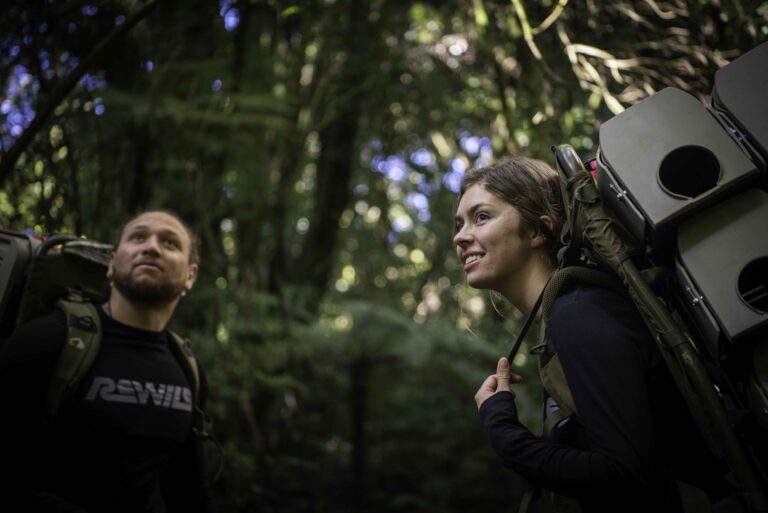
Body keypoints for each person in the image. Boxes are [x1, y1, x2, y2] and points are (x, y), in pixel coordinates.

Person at [453, 157, 734, 512]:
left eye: (481, 217)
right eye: (459, 223)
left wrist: (506, 436)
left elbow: (628, 476)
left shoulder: (579, 315)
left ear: (539, 230)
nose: (460, 236)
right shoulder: (569, 313)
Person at [0, 210, 216, 513]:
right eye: (138, 237)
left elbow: (189, 489)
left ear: (190, 275)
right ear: (112, 264)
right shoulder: (51, 340)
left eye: (170, 243)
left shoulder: (188, 369)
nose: (151, 247)